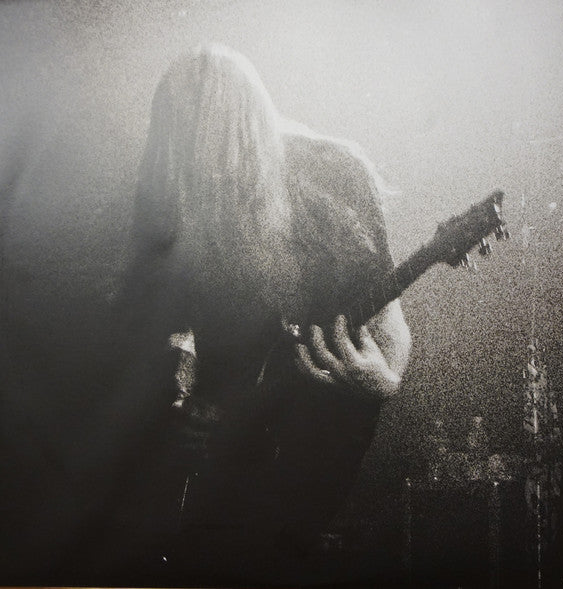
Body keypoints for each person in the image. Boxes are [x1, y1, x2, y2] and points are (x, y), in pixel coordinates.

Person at [118, 43, 411, 582]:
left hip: (324, 446)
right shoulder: (169, 191)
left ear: (249, 127)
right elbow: (155, 326)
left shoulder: (332, 175)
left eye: (215, 141)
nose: (206, 165)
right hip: (225, 460)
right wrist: (178, 407)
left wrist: (383, 380)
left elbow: (390, 327)